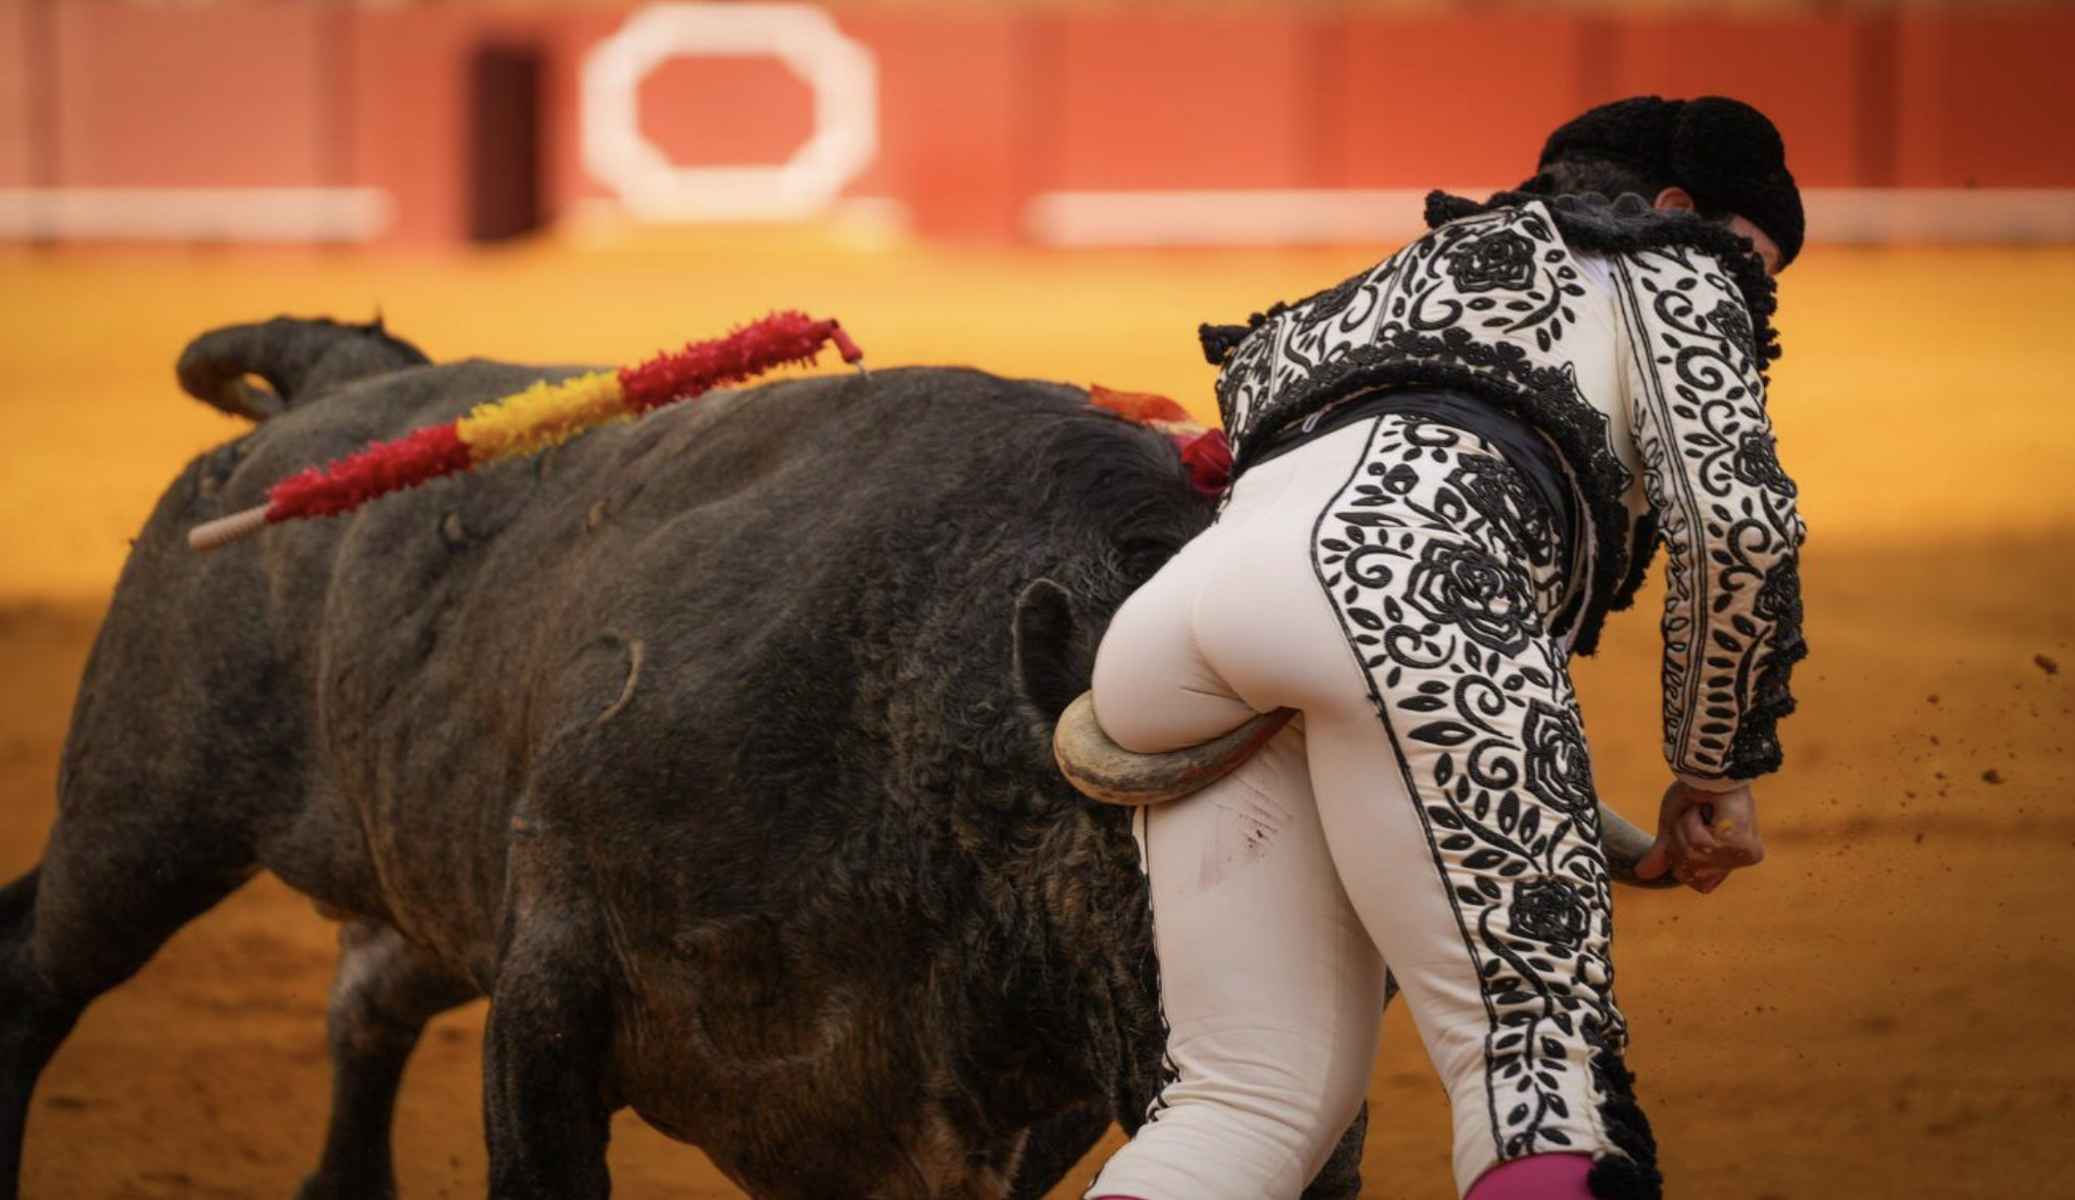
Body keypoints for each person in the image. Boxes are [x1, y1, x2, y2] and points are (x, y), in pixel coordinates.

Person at [1082, 96, 1807, 1200]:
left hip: (1179, 632)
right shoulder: (1679, 263)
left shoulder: (1383, 284)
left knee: (1244, 1102)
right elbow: (1734, 526)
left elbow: (1353, 670)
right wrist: (1714, 767)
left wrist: (1585, 823)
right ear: (1675, 210)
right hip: (1402, 594)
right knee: (1535, 1067)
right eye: (1757, 260)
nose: (1756, 297)